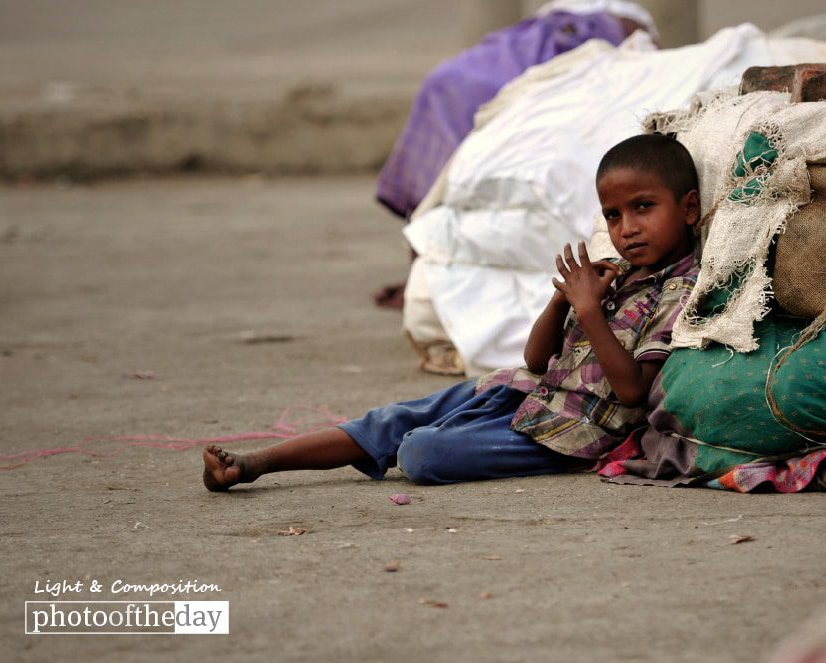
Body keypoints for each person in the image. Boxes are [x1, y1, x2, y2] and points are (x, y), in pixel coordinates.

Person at [202, 134, 700, 490]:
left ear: (690, 209)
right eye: (613, 215)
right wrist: (561, 301)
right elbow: (535, 360)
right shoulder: (615, 273)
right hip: (524, 391)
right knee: (392, 420)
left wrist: (589, 310)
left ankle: (426, 440)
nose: (626, 228)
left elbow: (633, 391)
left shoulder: (681, 290)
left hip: (568, 432)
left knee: (421, 451)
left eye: (643, 207)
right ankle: (254, 464)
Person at [373, 0, 657, 308]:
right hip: (537, 34)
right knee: (446, 87)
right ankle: (424, 267)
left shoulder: (620, 27)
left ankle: (425, 269)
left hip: (593, 36)